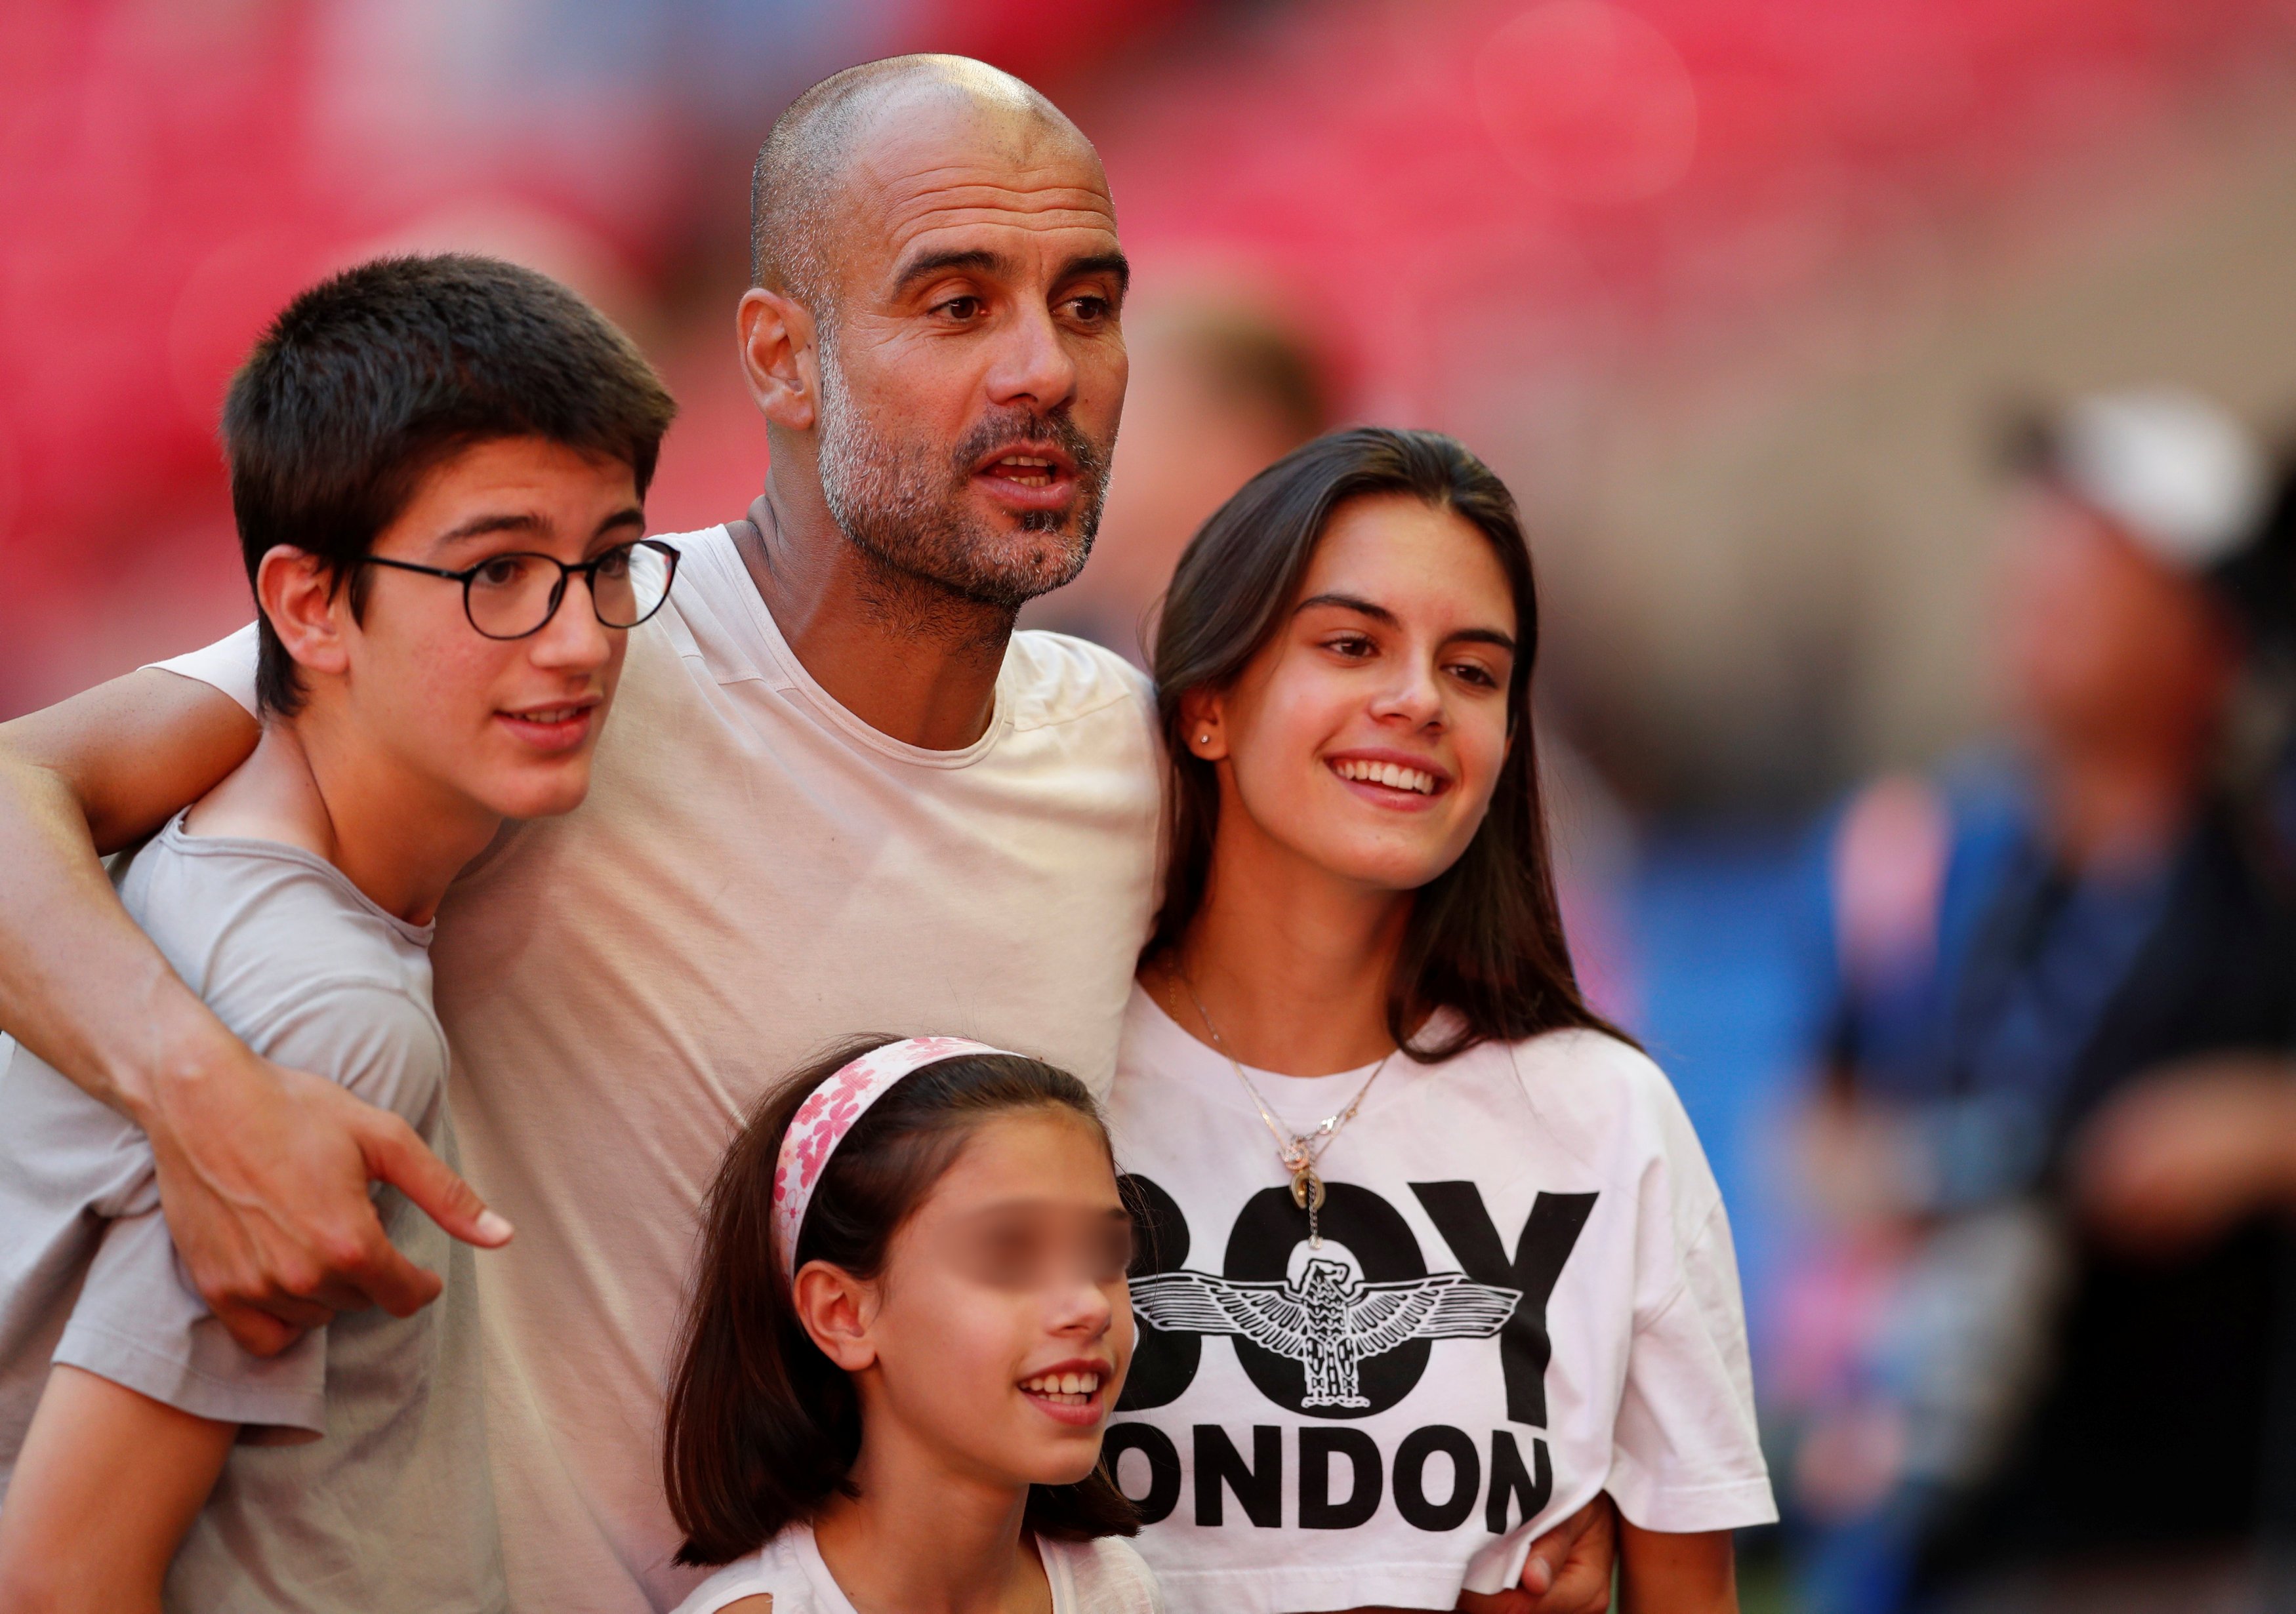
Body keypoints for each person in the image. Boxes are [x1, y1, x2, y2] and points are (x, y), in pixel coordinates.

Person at [0, 54, 1614, 1610]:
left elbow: (1335, 1147)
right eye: (957, 300)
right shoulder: (554, 651)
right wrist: (194, 1088)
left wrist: (1497, 1495)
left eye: (1090, 305)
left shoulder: (1146, 770)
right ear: (775, 357)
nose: (1043, 367)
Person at [0, 254, 678, 1611]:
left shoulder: (207, 801)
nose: (579, 641)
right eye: (497, 573)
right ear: (309, 605)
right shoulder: (328, 1014)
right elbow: (67, 1577)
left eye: (608, 562)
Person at [1102, 428, 1776, 1613]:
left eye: (1472, 671)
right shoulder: (1050, 1077)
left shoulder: (1608, 1118)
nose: (1417, 700)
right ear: (1207, 704)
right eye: (1353, 644)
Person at [1783, 388, 2296, 1613]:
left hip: (2203, 1540)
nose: (2032, 576)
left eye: (2094, 553)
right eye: (2036, 541)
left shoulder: (2272, 868)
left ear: (2211, 629)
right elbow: (1816, 1120)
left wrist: (2261, 1133)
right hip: (1951, 1529)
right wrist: (1907, 1182)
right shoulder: (1926, 854)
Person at [662, 1036, 1162, 1614]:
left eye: (1105, 1253)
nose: (1092, 1306)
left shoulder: (1116, 1589)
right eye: (1009, 1253)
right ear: (843, 1314)